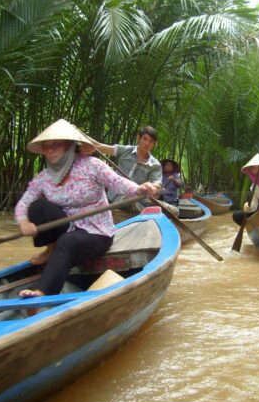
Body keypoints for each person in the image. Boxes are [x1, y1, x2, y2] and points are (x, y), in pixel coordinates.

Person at [15, 119, 158, 298]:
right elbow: (23, 204)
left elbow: (118, 182)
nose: (50, 150)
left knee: (66, 242)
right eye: (46, 146)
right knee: (38, 207)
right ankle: (51, 250)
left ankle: (42, 292)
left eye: (56, 145)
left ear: (68, 146)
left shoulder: (91, 165)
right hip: (67, 228)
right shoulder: (44, 177)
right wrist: (23, 222)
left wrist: (139, 189)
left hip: (96, 232)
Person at [95, 126, 178, 215]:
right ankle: (148, 218)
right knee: (134, 204)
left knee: (173, 211)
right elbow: (99, 146)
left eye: (151, 141)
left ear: (154, 144)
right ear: (138, 138)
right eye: (145, 139)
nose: (147, 143)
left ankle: (152, 215)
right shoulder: (125, 150)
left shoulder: (155, 164)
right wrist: (81, 137)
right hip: (117, 197)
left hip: (140, 197)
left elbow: (156, 184)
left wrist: (152, 187)